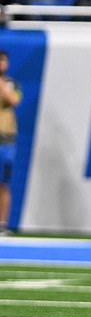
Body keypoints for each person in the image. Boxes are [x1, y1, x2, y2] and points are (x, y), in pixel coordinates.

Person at [0, 50, 22, 235]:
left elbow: (14, 99)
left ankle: (2, 223)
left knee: (4, 183)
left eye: (4, 61)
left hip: (6, 140)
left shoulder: (11, 83)